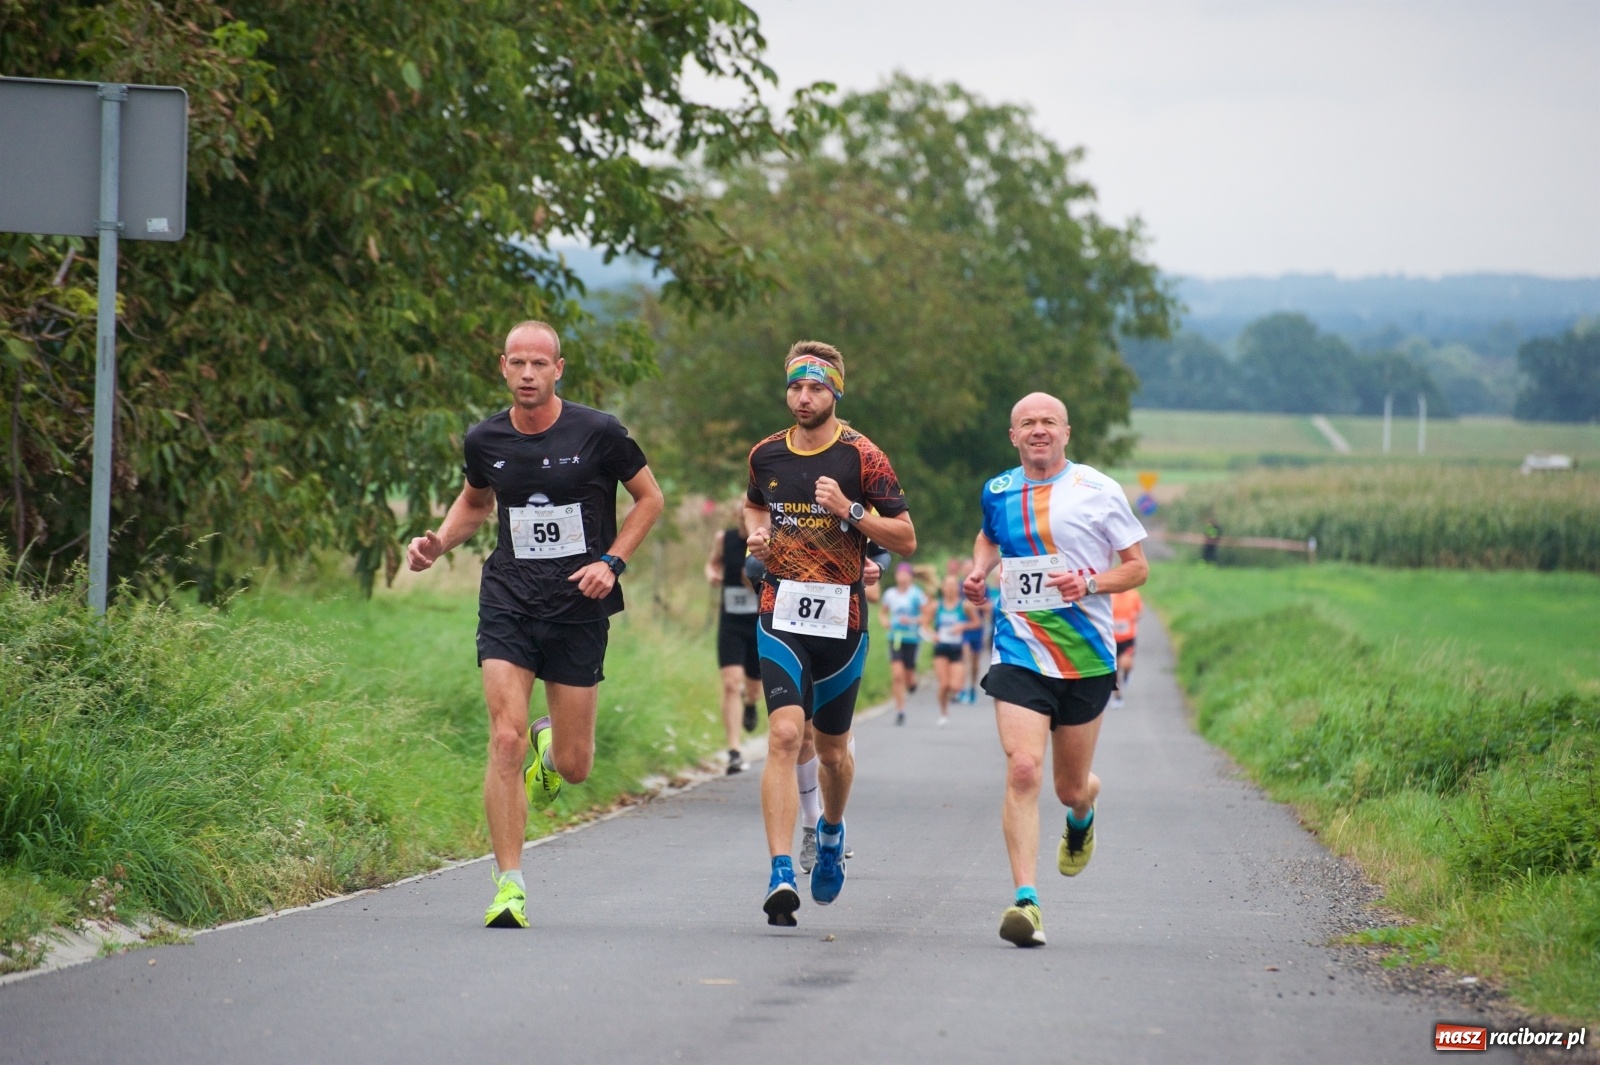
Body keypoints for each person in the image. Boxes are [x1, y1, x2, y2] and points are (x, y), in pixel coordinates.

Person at [407, 320, 664, 930]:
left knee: (576, 766)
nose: (527, 374)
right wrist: (437, 543)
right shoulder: (485, 438)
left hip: (579, 604)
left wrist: (612, 561)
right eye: (517, 363)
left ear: (558, 369)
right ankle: (510, 886)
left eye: (538, 364)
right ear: (503, 366)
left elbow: (649, 499)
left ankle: (552, 751)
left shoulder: (599, 433)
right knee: (503, 737)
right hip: (509, 599)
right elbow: (475, 502)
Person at [962, 392, 1148, 948]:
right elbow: (990, 536)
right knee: (1023, 768)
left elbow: (1136, 569)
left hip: (1086, 657)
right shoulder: (999, 490)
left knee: (1069, 788)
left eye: (1048, 422)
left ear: (1067, 432)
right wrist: (978, 572)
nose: (1038, 430)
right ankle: (1027, 901)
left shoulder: (1098, 490)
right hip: (1019, 649)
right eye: (1027, 423)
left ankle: (1084, 812)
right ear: (1013, 436)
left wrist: (1089, 583)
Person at [746, 340, 915, 926]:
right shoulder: (766, 454)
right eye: (795, 386)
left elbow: (905, 538)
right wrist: (758, 537)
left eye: (816, 387)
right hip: (780, 610)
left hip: (842, 619)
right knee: (785, 735)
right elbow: (753, 507)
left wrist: (850, 510)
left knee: (834, 751)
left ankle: (832, 830)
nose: (804, 396)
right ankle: (779, 869)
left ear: (835, 391)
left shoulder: (863, 457)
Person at [706, 508, 762, 773]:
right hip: (731, 622)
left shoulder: (765, 543)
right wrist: (712, 573)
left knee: (753, 690)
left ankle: (750, 704)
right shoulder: (724, 539)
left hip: (759, 622)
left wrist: (750, 580)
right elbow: (713, 562)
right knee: (731, 683)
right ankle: (734, 751)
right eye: (741, 513)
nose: (744, 518)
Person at [926, 573, 981, 724]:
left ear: (958, 588)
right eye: (947, 585)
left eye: (953, 585)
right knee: (944, 685)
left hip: (957, 648)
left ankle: (951, 699)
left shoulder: (964, 605)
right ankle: (943, 712)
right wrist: (932, 634)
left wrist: (962, 626)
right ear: (943, 588)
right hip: (941, 648)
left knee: (955, 686)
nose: (950, 589)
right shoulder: (936, 606)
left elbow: (977, 622)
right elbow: (924, 624)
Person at [880, 564, 927, 725]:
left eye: (905, 574)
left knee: (909, 679)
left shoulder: (917, 594)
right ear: (896, 577)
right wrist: (885, 622)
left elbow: (925, 616)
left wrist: (913, 620)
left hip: (912, 638)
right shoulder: (890, 594)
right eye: (899, 574)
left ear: (910, 577)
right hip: (896, 638)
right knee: (897, 676)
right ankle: (900, 710)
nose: (902, 577)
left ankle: (913, 682)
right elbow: (883, 613)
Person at [1110, 588, 1144, 708]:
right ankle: (1118, 697)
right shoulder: (1110, 595)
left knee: (1125, 664)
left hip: (1128, 637)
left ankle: (1127, 674)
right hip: (1112, 638)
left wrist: (1134, 617)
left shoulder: (1133, 594)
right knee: (1115, 669)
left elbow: (1140, 612)